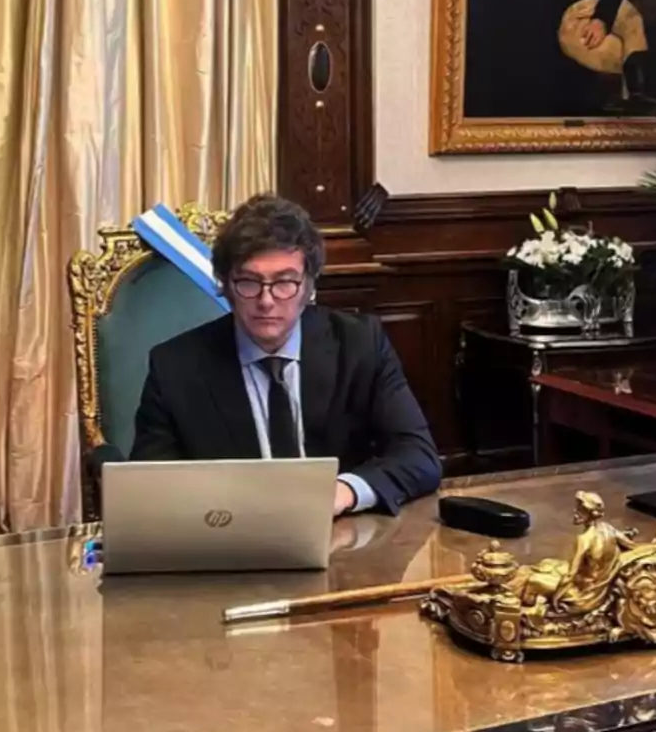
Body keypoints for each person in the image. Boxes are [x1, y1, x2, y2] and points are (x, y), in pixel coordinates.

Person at [130, 194, 442, 516]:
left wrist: (344, 491)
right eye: (249, 282)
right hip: (229, 540)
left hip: (343, 540)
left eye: (285, 282)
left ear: (308, 287)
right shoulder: (175, 367)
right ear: (224, 284)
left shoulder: (359, 344)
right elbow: (151, 489)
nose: (266, 301)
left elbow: (419, 457)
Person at [545, 0, 650, 106]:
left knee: (632, 25)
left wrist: (602, 18)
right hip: (566, 18)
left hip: (609, 4)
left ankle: (635, 91)